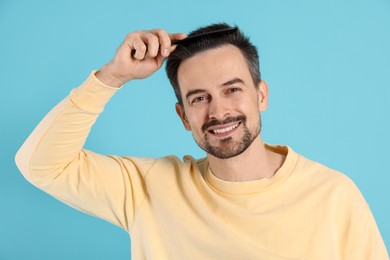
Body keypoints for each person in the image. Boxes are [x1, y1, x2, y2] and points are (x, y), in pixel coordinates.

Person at [15, 23, 388, 259]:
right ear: (183, 116)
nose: (219, 111)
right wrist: (112, 76)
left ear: (261, 96)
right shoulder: (148, 188)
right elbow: (39, 165)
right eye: (199, 98)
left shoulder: (334, 196)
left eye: (232, 90)